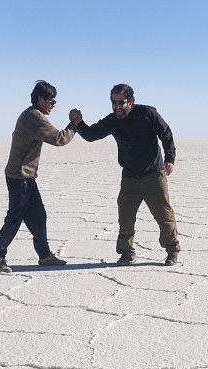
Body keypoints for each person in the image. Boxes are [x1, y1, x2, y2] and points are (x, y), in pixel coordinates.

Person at [69, 84, 180, 266]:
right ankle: (126, 254)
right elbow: (91, 134)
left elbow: (166, 134)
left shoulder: (148, 113)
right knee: (125, 219)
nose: (117, 106)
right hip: (129, 178)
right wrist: (78, 123)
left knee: (164, 216)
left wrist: (170, 158)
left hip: (153, 175)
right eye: (113, 102)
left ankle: (172, 251)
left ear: (131, 101)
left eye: (121, 102)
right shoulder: (112, 120)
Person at [0, 80, 76, 274]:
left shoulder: (31, 114)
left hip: (25, 177)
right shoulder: (34, 116)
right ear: (40, 99)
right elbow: (59, 138)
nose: (53, 106)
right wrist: (74, 124)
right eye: (51, 102)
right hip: (19, 177)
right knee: (15, 217)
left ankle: (45, 256)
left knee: (38, 216)